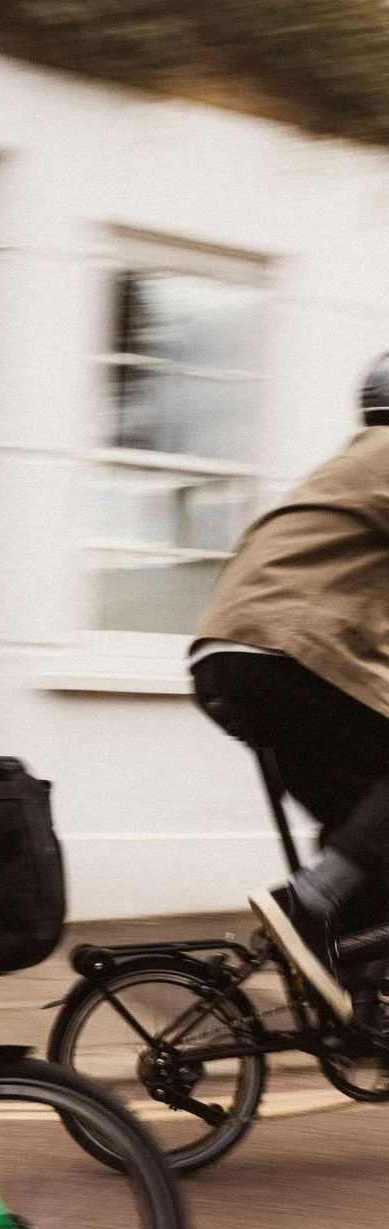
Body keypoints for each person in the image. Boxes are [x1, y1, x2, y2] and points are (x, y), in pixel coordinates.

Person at [191, 352, 389, 1014]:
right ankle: (309, 904)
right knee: (360, 842)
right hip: (281, 652)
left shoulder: (351, 462)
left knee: (363, 820)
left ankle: (348, 995)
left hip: (235, 653)